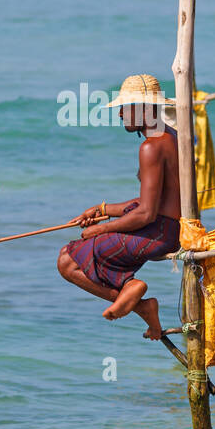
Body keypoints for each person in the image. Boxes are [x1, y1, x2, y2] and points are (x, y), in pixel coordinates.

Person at [58, 74, 182, 340]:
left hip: (158, 234)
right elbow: (150, 202)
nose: (121, 114)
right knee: (72, 256)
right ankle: (141, 303)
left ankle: (137, 296)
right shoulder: (169, 136)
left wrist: (100, 230)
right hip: (164, 229)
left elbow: (146, 213)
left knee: (67, 261)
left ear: (145, 109)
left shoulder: (151, 147)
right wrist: (103, 209)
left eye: (126, 108)